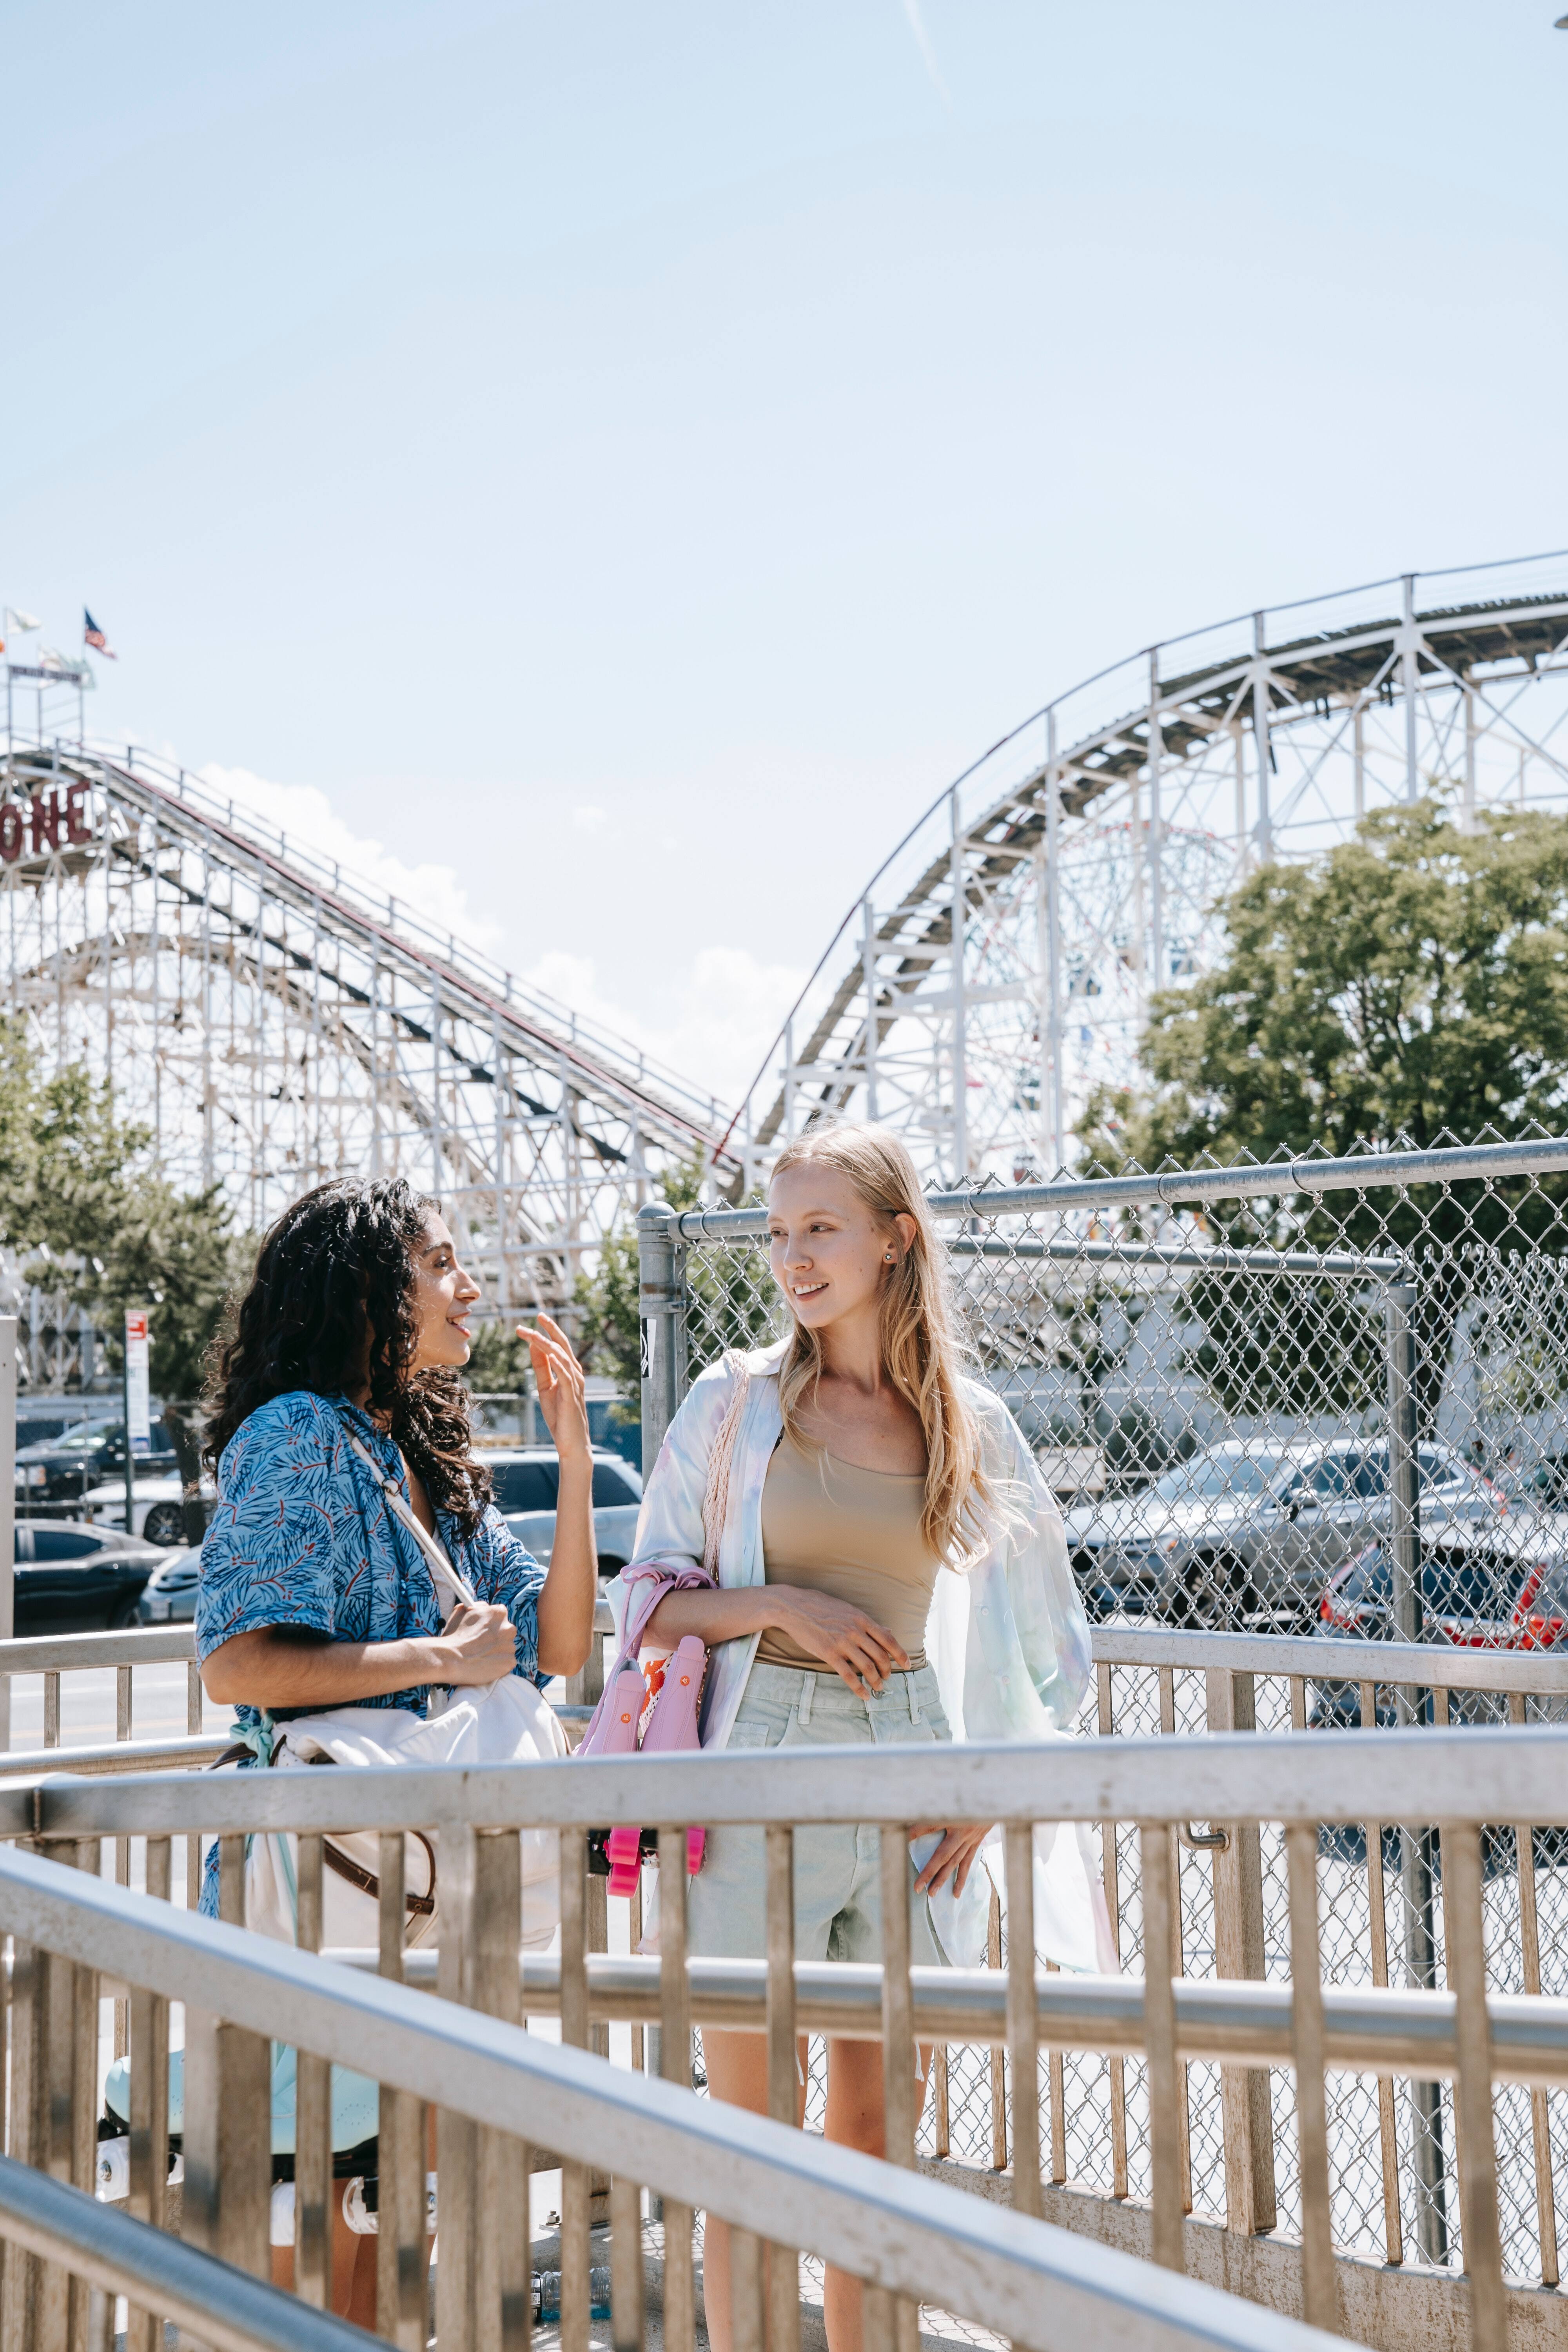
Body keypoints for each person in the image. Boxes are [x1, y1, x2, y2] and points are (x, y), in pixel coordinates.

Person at [609, 1122, 1098, 2352]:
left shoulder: (969, 1424)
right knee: (753, 2145)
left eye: (820, 1228)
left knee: (878, 2142)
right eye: (778, 1234)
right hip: (759, 1754)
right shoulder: (735, 1402)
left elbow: (1056, 1649)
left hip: (918, 1763)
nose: (793, 1258)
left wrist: (994, 1783)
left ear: (896, 1239)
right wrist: (781, 1604)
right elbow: (648, 1601)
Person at [194, 1174, 596, 2322]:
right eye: (444, 1265)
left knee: (390, 2209)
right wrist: (438, 1661)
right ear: (374, 1291)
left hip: (417, 1894)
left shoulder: (425, 1455)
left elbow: (555, 1644)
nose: (471, 1289)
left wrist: (572, 1458)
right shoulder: (299, 1437)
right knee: (310, 2216)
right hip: (318, 1889)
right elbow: (241, 1664)